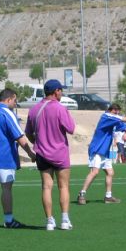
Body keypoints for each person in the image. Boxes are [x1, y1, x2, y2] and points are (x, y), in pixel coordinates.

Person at [0, 88, 36, 228]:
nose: (15, 104)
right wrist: (31, 153)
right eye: (15, 100)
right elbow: (20, 137)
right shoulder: (7, 113)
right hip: (3, 156)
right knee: (6, 188)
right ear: (8, 99)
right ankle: (8, 220)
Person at [25, 79, 76, 231]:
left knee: (46, 187)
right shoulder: (60, 108)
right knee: (63, 186)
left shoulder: (34, 109)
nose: (62, 93)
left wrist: (37, 142)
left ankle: (49, 221)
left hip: (42, 154)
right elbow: (71, 128)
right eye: (61, 90)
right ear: (56, 91)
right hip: (60, 153)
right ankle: (65, 220)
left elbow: (28, 132)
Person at [77, 104, 126, 205]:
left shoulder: (113, 119)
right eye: (115, 111)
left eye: (118, 112)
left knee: (110, 173)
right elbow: (124, 119)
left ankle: (108, 197)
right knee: (95, 172)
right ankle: (81, 194)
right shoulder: (106, 117)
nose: (117, 113)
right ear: (110, 110)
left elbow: (122, 125)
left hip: (105, 150)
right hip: (97, 149)